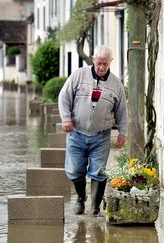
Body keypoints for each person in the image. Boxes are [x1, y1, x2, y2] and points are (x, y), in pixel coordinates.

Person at [58, 46, 128, 216]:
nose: (101, 67)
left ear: (110, 62)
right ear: (93, 60)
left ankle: (95, 208)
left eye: (105, 63)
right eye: (98, 63)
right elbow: (64, 97)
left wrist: (122, 132)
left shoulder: (116, 84)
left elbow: (122, 110)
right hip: (76, 133)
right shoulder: (78, 75)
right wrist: (66, 119)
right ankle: (81, 199)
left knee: (98, 172)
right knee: (74, 170)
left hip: (101, 136)